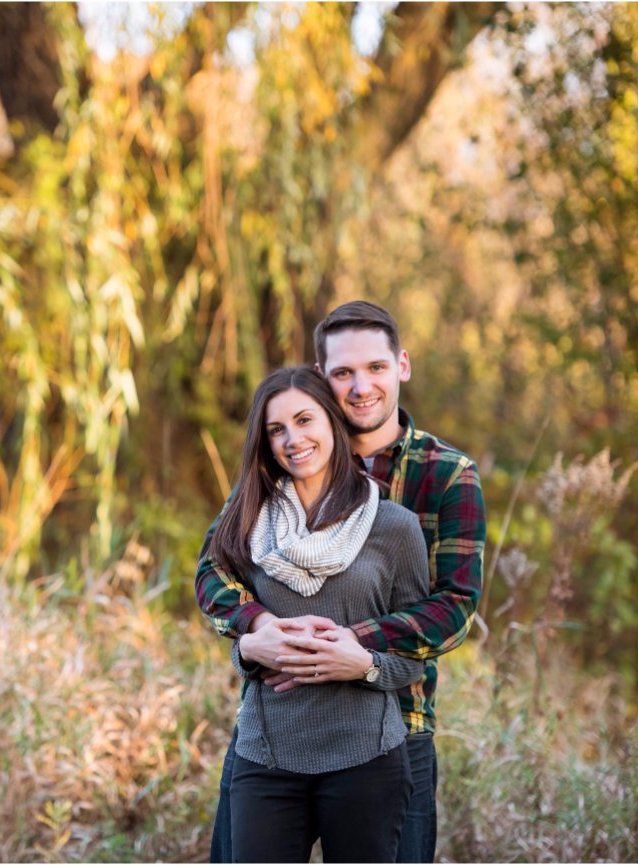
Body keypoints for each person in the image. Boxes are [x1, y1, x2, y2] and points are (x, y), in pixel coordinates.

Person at [197, 301, 486, 863]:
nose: (360, 387)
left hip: (397, 723)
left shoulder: (445, 473)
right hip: (280, 725)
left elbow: (454, 608)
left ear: (401, 366)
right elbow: (214, 569)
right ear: (322, 380)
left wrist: (354, 646)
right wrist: (255, 630)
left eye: (375, 368)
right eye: (343, 373)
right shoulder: (286, 462)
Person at [210, 365, 429, 863]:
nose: (293, 439)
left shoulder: (394, 527)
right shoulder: (248, 520)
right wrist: (248, 646)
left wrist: (365, 665)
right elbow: (226, 617)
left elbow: (414, 656)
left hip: (366, 757)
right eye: (276, 430)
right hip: (265, 755)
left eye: (305, 420)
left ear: (332, 422)